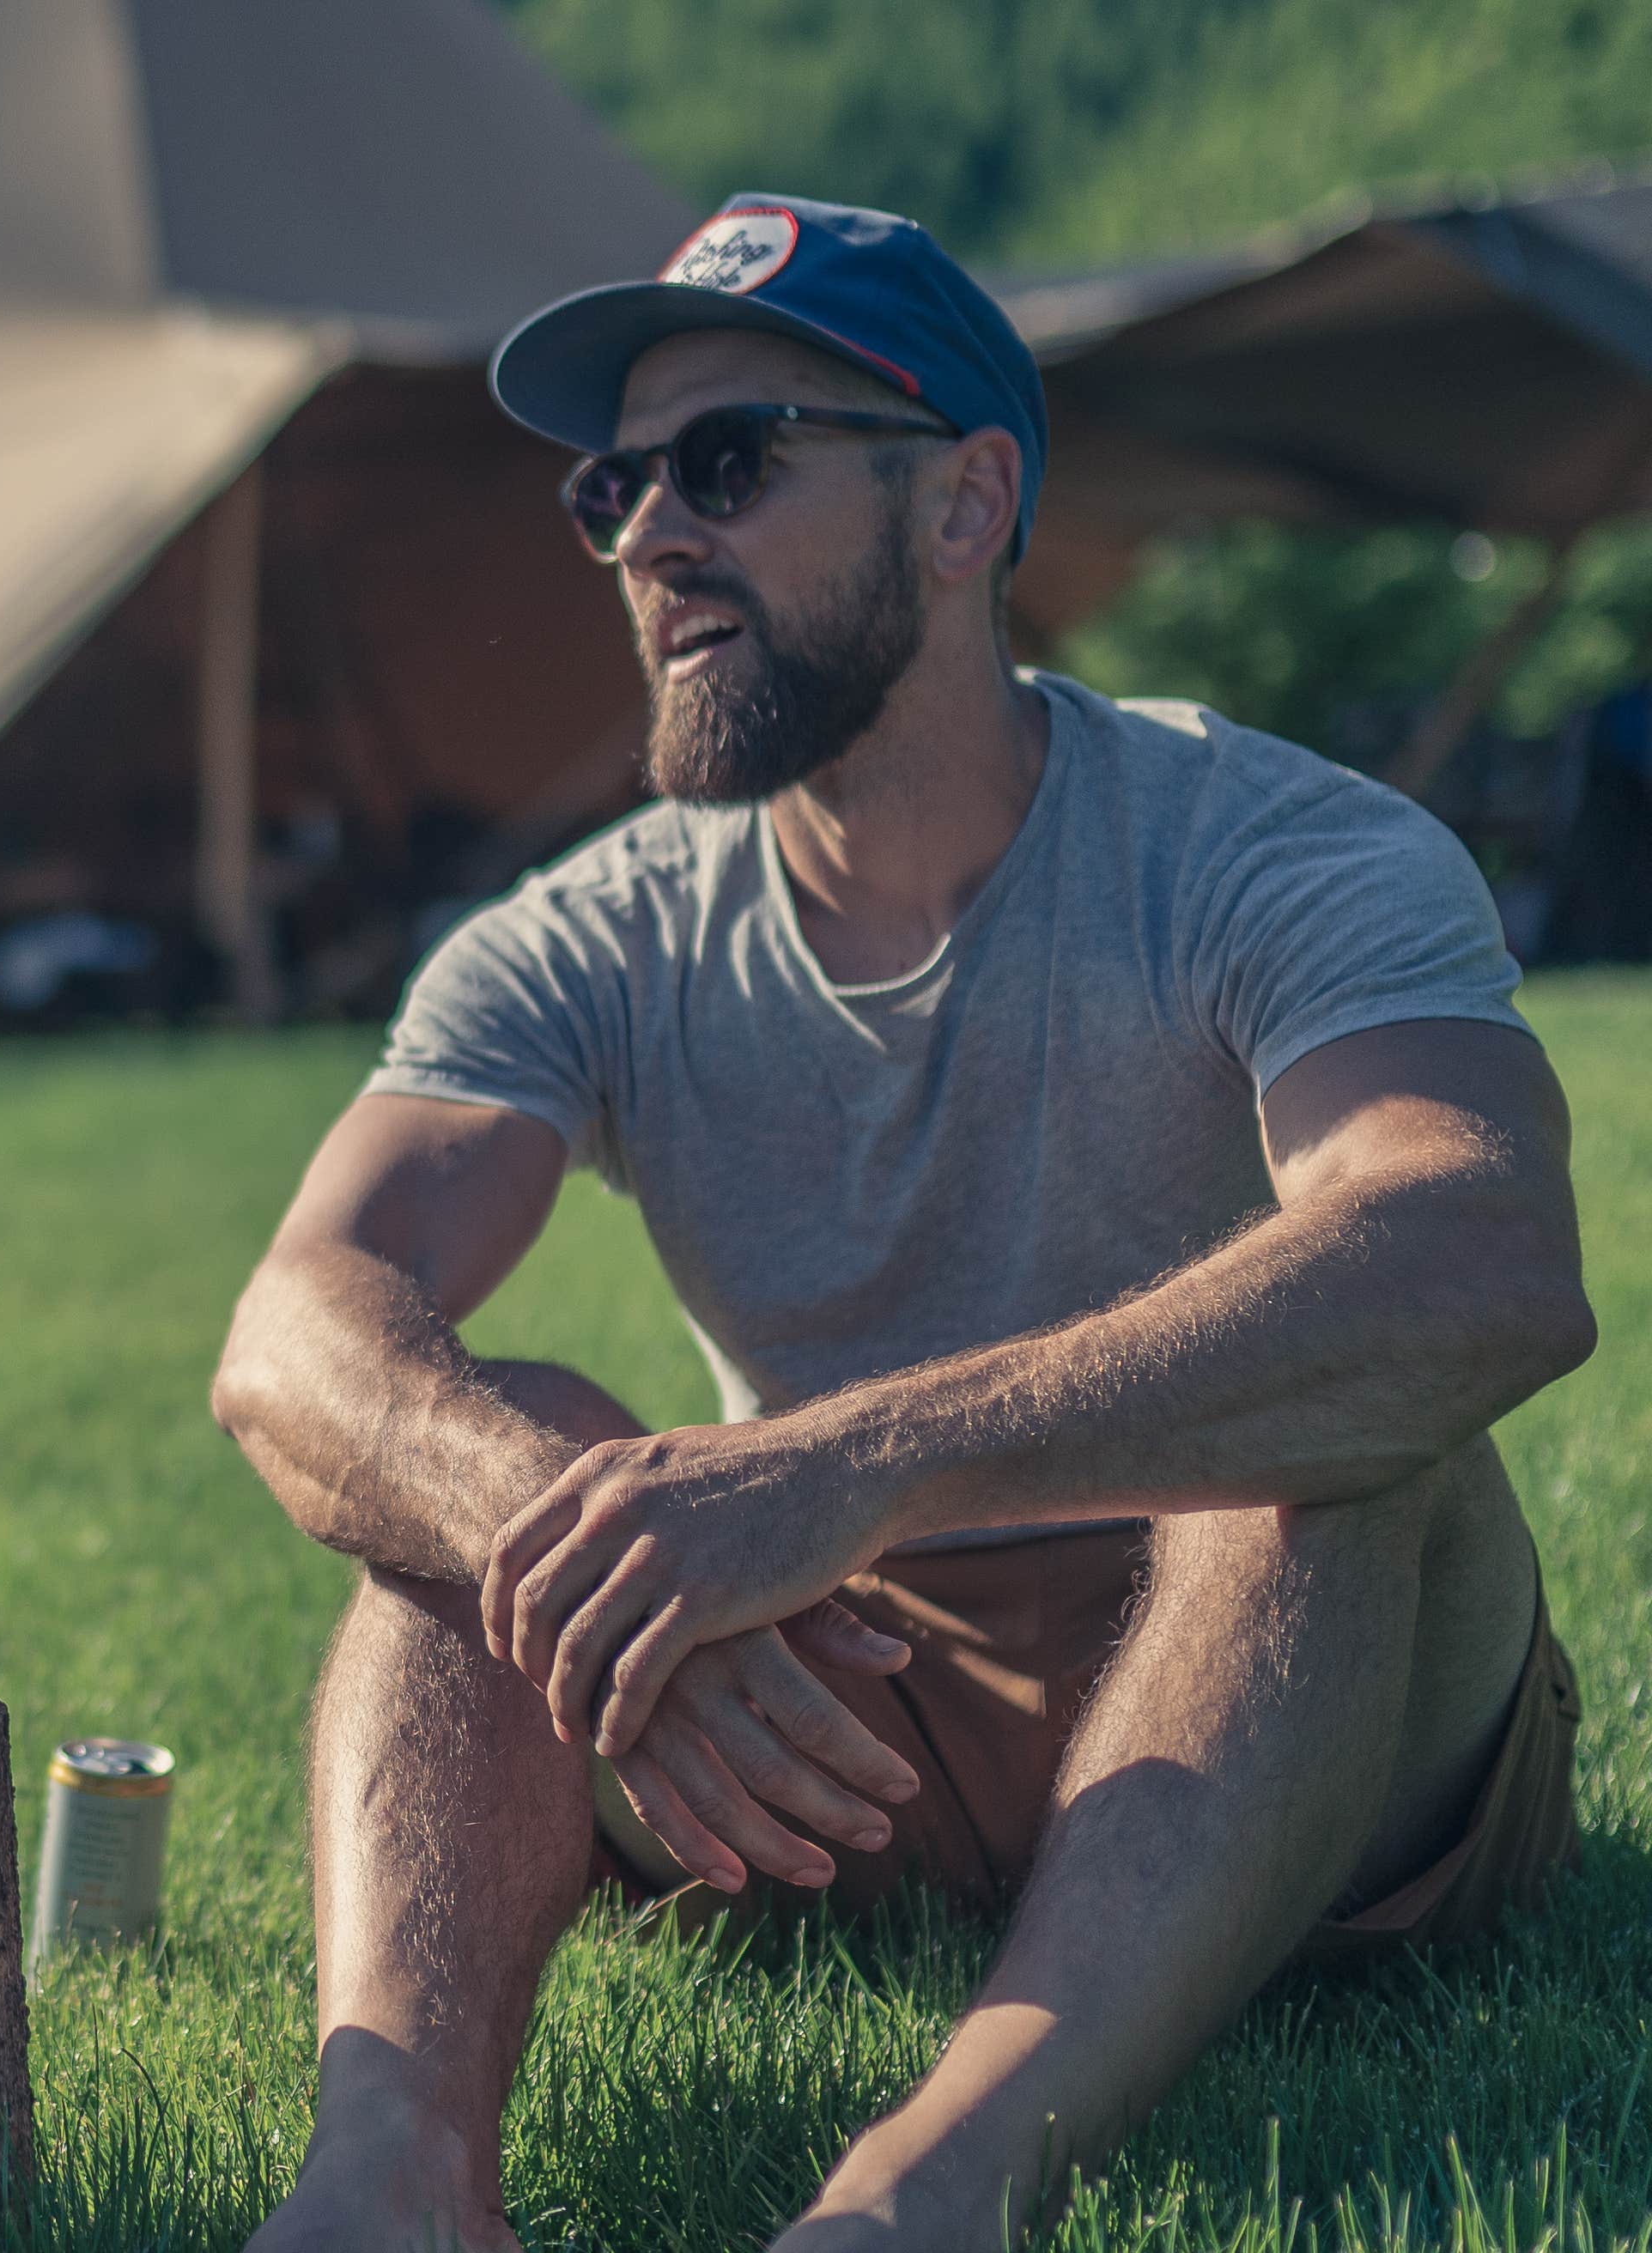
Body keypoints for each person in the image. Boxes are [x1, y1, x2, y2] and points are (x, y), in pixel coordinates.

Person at [212, 195, 1591, 2253]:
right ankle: (387, 2187)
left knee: (1308, 1451)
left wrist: (846, 1465)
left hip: (1305, 1721)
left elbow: (1476, 1250)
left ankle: (921, 2202)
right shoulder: (587, 936)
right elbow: (296, 1331)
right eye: (616, 485)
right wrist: (543, 1524)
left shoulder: (1269, 844)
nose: (651, 537)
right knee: (485, 1438)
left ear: (965, 508)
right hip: (836, 1746)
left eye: (731, 462)